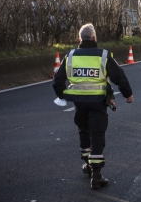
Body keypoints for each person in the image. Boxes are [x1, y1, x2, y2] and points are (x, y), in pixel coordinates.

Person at [53, 23, 134, 190]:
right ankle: (96, 175)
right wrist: (128, 94)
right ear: (95, 38)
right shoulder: (103, 55)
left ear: (79, 38)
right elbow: (119, 76)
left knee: (84, 131)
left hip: (79, 103)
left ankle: (88, 166)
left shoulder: (71, 55)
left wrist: (63, 96)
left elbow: (58, 80)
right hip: (98, 102)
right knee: (97, 133)